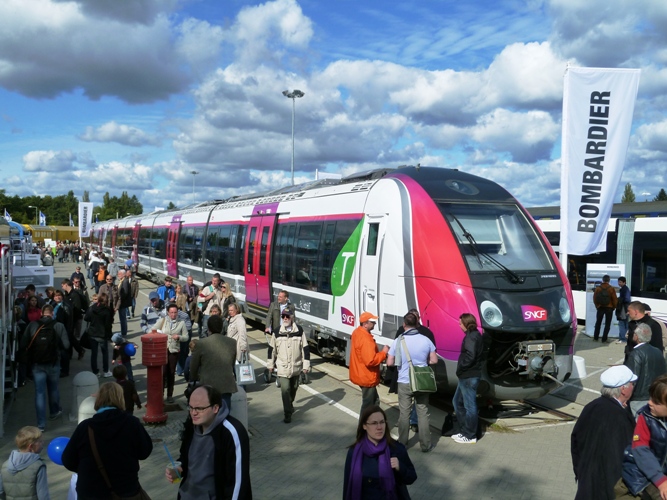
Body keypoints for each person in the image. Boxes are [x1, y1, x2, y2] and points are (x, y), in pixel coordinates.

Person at [62, 382, 153, 500]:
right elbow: (144, 452)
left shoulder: (85, 427)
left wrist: (88, 469)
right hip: (125, 490)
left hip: (91, 493)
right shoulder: (132, 423)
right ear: (120, 399)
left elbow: (68, 460)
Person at [166, 385, 252, 499]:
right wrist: (179, 468)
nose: (193, 413)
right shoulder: (191, 426)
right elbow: (186, 459)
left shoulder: (232, 432)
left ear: (215, 408)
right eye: (190, 407)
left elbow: (238, 482)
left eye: (199, 408)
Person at [571, 365, 636, 500]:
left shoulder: (591, 406)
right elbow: (624, 454)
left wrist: (580, 471)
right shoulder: (620, 418)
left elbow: (575, 441)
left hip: (587, 481)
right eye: (632, 384)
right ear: (623, 389)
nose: (633, 387)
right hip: (608, 487)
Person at [386, 312, 437, 452]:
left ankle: (402, 443)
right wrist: (422, 363)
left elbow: (390, 362)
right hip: (421, 381)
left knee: (404, 413)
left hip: (404, 381)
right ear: (416, 324)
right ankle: (426, 445)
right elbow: (434, 360)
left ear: (404, 325)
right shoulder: (426, 340)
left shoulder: (398, 340)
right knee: (423, 412)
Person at [343, 405, 417, 500]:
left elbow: (411, 478)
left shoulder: (396, 449)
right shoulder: (354, 452)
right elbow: (347, 486)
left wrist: (400, 467)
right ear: (364, 426)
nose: (379, 427)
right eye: (374, 423)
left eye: (382, 422)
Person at [616, 374, 667, 499]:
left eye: (656, 401)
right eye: (651, 398)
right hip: (640, 477)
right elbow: (640, 449)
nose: (649, 402)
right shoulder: (646, 416)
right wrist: (660, 481)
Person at [20, 304, 70, 431]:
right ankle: (54, 412)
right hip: (54, 363)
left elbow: (23, 343)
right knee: (53, 389)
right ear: (52, 313)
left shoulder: (32, 325)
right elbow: (66, 345)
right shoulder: (58, 325)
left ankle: (41, 424)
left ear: (41, 313)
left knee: (39, 393)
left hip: (37, 364)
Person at [267, 310, 310, 424]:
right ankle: (287, 413)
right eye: (283, 317)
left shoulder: (299, 331)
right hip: (282, 367)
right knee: (285, 389)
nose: (285, 318)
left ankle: (290, 404)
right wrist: (270, 365)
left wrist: (306, 366)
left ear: (292, 318)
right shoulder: (277, 332)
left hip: (296, 367)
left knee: (294, 388)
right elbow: (271, 350)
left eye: (287, 316)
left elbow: (305, 349)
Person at [190, 315, 237, 410]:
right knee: (225, 413)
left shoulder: (201, 343)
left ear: (209, 328)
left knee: (208, 414)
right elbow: (231, 363)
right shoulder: (232, 342)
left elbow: (193, 366)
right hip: (226, 383)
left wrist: (195, 378)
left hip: (208, 384)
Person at [451, 313, 484, 444]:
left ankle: (469, 435)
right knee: (457, 402)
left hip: (468, 375)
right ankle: (465, 429)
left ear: (466, 323)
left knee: (469, 406)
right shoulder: (476, 335)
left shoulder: (471, 337)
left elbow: (470, 356)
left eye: (460, 323)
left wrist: (460, 368)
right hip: (468, 375)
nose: (459, 325)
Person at [349, 312, 389, 415]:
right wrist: (384, 353)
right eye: (373, 322)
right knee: (369, 405)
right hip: (367, 376)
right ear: (365, 324)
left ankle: (371, 423)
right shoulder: (366, 339)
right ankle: (364, 427)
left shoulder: (357, 332)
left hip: (360, 373)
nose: (375, 324)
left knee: (374, 402)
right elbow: (370, 360)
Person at [625, 323, 667, 416]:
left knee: (638, 425)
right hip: (655, 395)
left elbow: (632, 378)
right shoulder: (658, 352)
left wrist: (625, 397)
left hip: (639, 398)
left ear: (637, 337)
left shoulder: (636, 353)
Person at [0, 426, 50, 500]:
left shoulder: (5, 465)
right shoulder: (38, 466)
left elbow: (1, 492)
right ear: (31, 446)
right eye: (40, 441)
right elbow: (43, 495)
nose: (43, 443)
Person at [155, 303, 189, 403]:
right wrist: (159, 335)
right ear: (168, 313)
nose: (173, 315)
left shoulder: (181, 323)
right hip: (163, 350)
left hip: (174, 351)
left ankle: (170, 395)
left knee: (171, 373)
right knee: (162, 373)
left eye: (175, 312)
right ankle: (160, 394)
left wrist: (179, 337)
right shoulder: (163, 321)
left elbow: (186, 337)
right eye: (171, 312)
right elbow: (152, 330)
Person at [84, 293, 113, 378]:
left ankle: (95, 372)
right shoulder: (107, 311)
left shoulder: (92, 308)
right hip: (102, 335)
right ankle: (106, 370)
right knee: (105, 353)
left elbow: (86, 318)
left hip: (92, 334)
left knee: (94, 353)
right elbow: (108, 325)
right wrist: (109, 335)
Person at [197, 274, 224, 338]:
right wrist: (208, 297)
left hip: (217, 314)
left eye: (215, 281)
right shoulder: (207, 288)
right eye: (213, 280)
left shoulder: (220, 290)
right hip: (208, 314)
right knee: (205, 331)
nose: (214, 282)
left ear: (219, 281)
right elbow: (199, 299)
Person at [593, 274, 618, 342]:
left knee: (598, 323)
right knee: (607, 324)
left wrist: (597, 306)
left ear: (603, 280)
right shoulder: (611, 288)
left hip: (600, 307)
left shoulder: (598, 288)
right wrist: (614, 307)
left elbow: (595, 298)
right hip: (609, 308)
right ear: (609, 280)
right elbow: (614, 299)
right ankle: (604, 339)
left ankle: (595, 338)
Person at [616, 276, 631, 344]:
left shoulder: (625, 289)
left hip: (623, 308)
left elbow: (627, 299)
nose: (619, 283)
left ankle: (623, 338)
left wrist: (620, 300)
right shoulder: (625, 289)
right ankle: (625, 337)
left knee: (622, 323)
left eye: (620, 282)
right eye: (618, 282)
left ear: (624, 282)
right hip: (625, 308)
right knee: (625, 323)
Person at [117, 269, 131, 337]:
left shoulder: (125, 281)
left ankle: (123, 333)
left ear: (123, 274)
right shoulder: (122, 281)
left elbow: (125, 292)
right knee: (122, 318)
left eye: (119, 274)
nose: (118, 275)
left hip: (123, 303)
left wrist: (119, 298)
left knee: (122, 318)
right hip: (122, 302)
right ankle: (123, 332)